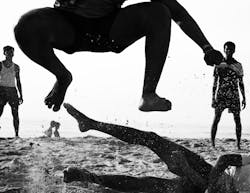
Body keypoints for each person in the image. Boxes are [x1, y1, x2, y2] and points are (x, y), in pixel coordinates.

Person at [62, 103, 250, 193]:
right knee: (152, 138)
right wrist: (192, 170)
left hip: (198, 192)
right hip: (208, 172)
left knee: (147, 184)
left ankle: (88, 176)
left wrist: (189, 173)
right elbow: (223, 160)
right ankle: (91, 124)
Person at [14, 0, 223, 112]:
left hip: (109, 30)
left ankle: (148, 94)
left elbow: (178, 12)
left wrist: (206, 47)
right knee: (26, 25)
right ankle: (62, 77)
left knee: (159, 11)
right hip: (66, 25)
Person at [211, 41, 246, 149]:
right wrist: (213, 98)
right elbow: (215, 83)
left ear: (234, 50)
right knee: (216, 118)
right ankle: (212, 143)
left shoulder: (238, 65)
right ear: (224, 50)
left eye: (231, 49)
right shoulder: (219, 65)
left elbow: (241, 82)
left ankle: (238, 144)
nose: (229, 51)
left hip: (234, 95)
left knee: (237, 119)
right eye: (227, 49)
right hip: (221, 95)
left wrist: (244, 97)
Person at [0, 46, 23, 137]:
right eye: (8, 52)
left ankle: (16, 134)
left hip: (12, 90)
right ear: (4, 53)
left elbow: (18, 81)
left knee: (15, 113)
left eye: (12, 52)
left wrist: (21, 95)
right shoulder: (0, 65)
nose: (10, 53)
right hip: (2, 90)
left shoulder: (16, 67)